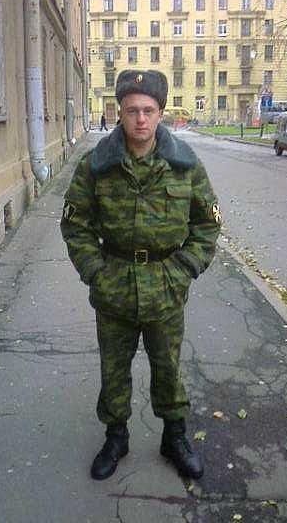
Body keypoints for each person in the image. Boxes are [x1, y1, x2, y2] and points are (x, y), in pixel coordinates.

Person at [61, 69, 221, 481]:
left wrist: (185, 268)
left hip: (166, 286)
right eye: (132, 110)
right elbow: (75, 225)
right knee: (113, 368)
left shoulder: (184, 165)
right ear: (120, 112)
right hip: (114, 285)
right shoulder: (96, 165)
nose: (140, 119)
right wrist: (95, 271)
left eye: (148, 110)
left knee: (168, 366)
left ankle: (174, 437)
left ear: (161, 113)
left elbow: (208, 223)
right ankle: (116, 437)